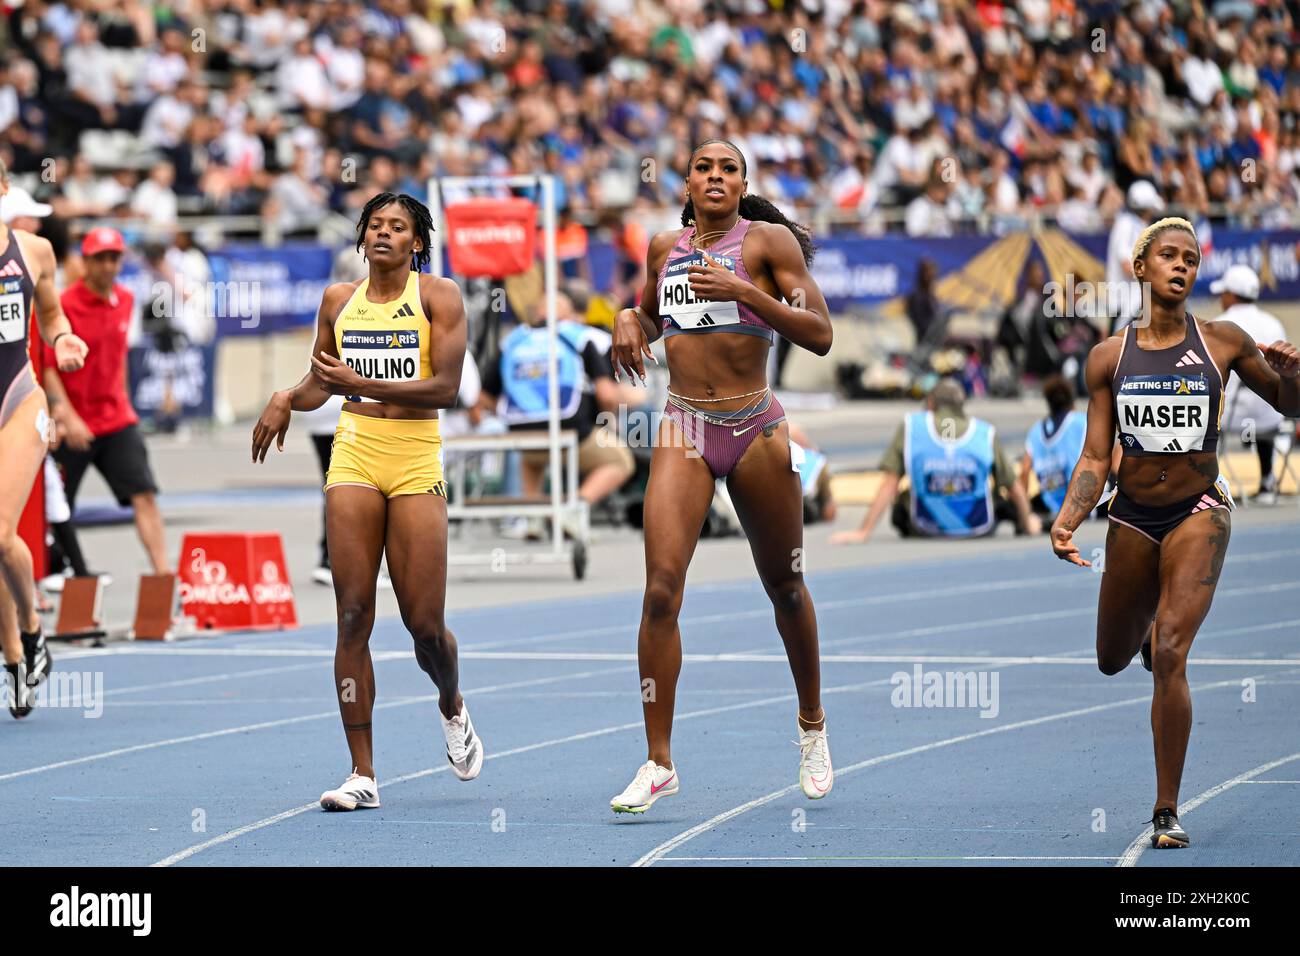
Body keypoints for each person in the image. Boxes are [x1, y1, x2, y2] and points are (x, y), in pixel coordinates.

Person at [1050, 217, 1300, 849]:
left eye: (1191, 257)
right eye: (1168, 255)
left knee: (1170, 656)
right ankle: (1148, 631)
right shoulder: (1109, 357)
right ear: (1141, 268)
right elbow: (1095, 456)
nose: (1182, 265)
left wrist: (1294, 374)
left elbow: (1290, 406)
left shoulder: (1223, 342)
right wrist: (1068, 516)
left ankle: (1166, 809)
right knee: (1112, 658)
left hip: (1199, 510)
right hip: (1132, 515)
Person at [608, 140, 835, 813]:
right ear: (686, 182)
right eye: (703, 167)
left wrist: (742, 291)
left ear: (742, 183)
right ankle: (658, 761)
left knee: (786, 586)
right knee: (658, 592)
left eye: (727, 169)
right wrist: (628, 318)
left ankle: (813, 726)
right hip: (684, 425)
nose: (715, 176)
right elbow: (654, 316)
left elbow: (820, 333)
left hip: (757, 428)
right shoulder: (664, 248)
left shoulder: (766, 245)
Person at [251, 192, 482, 811]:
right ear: (362, 236)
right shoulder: (338, 300)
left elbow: (446, 390)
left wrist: (361, 382)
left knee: (424, 627)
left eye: (397, 227)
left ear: (416, 242)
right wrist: (284, 397)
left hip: (414, 456)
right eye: (375, 225)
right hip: (354, 451)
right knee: (353, 615)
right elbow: (322, 382)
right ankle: (362, 773)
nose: (384, 234)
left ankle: (451, 704)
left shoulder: (439, 296)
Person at [0, 158, 88, 717]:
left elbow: (52, 317)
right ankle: (15, 657)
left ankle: (31, 629)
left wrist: (64, 341)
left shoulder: (33, 252)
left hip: (17, 399)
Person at [41, 228, 170, 576]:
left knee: (144, 494)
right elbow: (48, 367)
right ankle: (56, 573)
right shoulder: (63, 305)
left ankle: (164, 578)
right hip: (74, 421)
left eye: (114, 258)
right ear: (85, 262)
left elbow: (119, 358)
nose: (109, 266)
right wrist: (66, 417)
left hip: (116, 418)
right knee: (54, 506)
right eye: (100, 259)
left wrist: (125, 403)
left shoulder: (126, 300)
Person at [477, 286, 635, 536]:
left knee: (532, 459)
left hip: (521, 434)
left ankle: (534, 516)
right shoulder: (579, 337)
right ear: (570, 314)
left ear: (537, 312)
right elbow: (606, 395)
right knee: (620, 461)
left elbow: (483, 398)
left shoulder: (513, 341)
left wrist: (520, 409)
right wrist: (630, 399)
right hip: (571, 430)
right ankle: (574, 506)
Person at [831, 379, 1041, 544]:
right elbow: (1012, 485)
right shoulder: (985, 432)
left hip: (923, 526)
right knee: (1000, 501)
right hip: (978, 527)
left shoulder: (912, 426)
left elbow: (889, 484)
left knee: (902, 504)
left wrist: (863, 532)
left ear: (930, 403)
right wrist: (1028, 520)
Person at [1210, 264, 1290, 504]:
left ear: (1231, 294)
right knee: (1263, 406)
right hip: (1271, 417)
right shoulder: (1274, 323)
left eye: (1223, 293)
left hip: (1229, 420)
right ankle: (1267, 481)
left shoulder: (1218, 325)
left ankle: (1208, 482)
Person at [1018, 374, 1090, 525]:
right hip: (1083, 507)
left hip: (1052, 506)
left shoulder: (1036, 431)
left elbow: (1024, 470)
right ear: (1072, 399)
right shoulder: (1081, 421)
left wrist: (1024, 513)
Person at [1105, 180, 1164, 335]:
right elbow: (1126, 265)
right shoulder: (1127, 225)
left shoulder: (1136, 225)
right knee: (1118, 351)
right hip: (1125, 303)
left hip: (1134, 301)